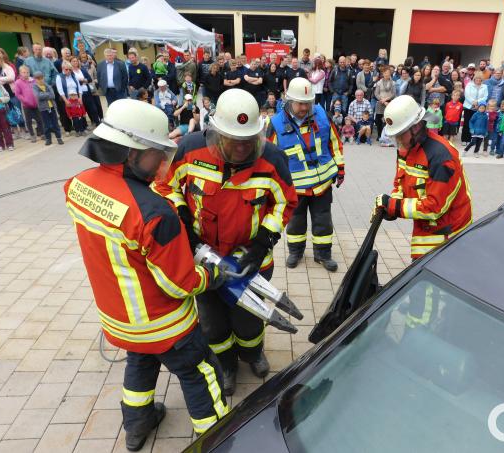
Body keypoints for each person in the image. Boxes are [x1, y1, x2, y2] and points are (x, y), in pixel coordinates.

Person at [65, 99, 230, 450]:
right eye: (156, 152)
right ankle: (215, 436)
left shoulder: (76, 186)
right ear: (130, 153)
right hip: (164, 325)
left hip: (118, 320)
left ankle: (137, 426)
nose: (161, 162)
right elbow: (180, 282)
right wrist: (212, 276)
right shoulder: (155, 213)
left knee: (140, 362)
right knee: (200, 372)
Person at [156, 88, 298, 396]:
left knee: (248, 319)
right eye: (234, 141)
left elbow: (285, 202)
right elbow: (167, 187)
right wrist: (182, 218)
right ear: (216, 131)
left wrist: (264, 240)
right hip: (203, 259)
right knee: (212, 322)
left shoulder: (271, 158)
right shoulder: (191, 150)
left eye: (248, 142)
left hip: (251, 260)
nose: (241, 149)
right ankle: (225, 363)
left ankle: (252, 353)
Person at [376, 95, 473, 261]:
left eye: (400, 134)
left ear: (416, 127)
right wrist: (392, 203)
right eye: (395, 136)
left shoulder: (441, 156)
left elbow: (435, 207)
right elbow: (401, 180)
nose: (398, 140)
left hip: (448, 236)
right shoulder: (407, 146)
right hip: (427, 229)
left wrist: (394, 206)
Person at [267, 78, 344, 272]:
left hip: (322, 185)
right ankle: (296, 252)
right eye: (301, 103)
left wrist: (340, 168)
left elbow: (334, 143)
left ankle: (323, 254)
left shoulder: (322, 115)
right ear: (289, 101)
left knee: (323, 221)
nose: (304, 107)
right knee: (295, 221)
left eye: (307, 103)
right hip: (295, 187)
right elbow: (269, 157)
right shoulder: (275, 124)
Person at [32, 71, 64, 146]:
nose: (40, 80)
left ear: (43, 78)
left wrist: (43, 94)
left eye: (41, 78)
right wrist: (47, 94)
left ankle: (59, 137)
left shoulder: (48, 86)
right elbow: (38, 96)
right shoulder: (34, 87)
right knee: (46, 124)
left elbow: (53, 95)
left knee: (55, 123)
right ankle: (48, 139)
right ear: (35, 79)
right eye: (38, 78)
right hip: (43, 109)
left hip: (51, 107)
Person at [71, 56, 101, 127]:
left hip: (87, 91)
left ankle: (97, 122)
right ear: (70, 63)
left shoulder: (82, 70)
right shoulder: (71, 72)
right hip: (78, 94)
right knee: (82, 109)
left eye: (76, 61)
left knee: (93, 108)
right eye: (73, 61)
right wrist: (81, 81)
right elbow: (73, 82)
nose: (75, 62)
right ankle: (85, 125)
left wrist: (84, 80)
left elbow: (90, 79)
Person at [461, 73, 488, 145]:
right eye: (477, 78)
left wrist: (478, 102)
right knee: (467, 123)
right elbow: (467, 95)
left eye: (480, 79)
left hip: (479, 108)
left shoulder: (485, 87)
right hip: (469, 106)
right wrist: (473, 103)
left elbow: (485, 97)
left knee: (476, 124)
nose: (478, 80)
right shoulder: (469, 85)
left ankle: (473, 140)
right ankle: (465, 139)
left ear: (482, 80)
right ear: (474, 79)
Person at [373, 68, 396, 140]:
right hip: (380, 103)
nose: (386, 74)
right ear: (383, 74)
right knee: (378, 120)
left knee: (388, 120)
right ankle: (379, 135)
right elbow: (376, 93)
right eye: (385, 73)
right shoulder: (379, 82)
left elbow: (393, 94)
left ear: (390, 74)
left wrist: (386, 100)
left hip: (389, 103)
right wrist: (382, 100)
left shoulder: (393, 83)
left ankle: (387, 136)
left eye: (388, 73)